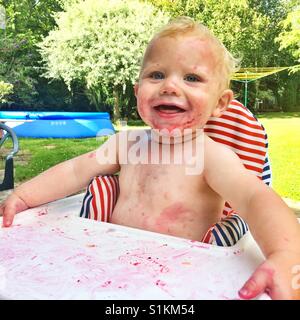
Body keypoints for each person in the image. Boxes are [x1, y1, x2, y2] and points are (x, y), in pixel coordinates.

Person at [0, 17, 299, 300]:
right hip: (103, 263)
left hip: (183, 280)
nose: (170, 86)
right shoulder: (126, 143)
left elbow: (256, 198)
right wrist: (24, 197)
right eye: (156, 75)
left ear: (219, 104)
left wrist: (286, 255)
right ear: (137, 90)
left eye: (192, 78)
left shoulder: (212, 156)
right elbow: (76, 170)